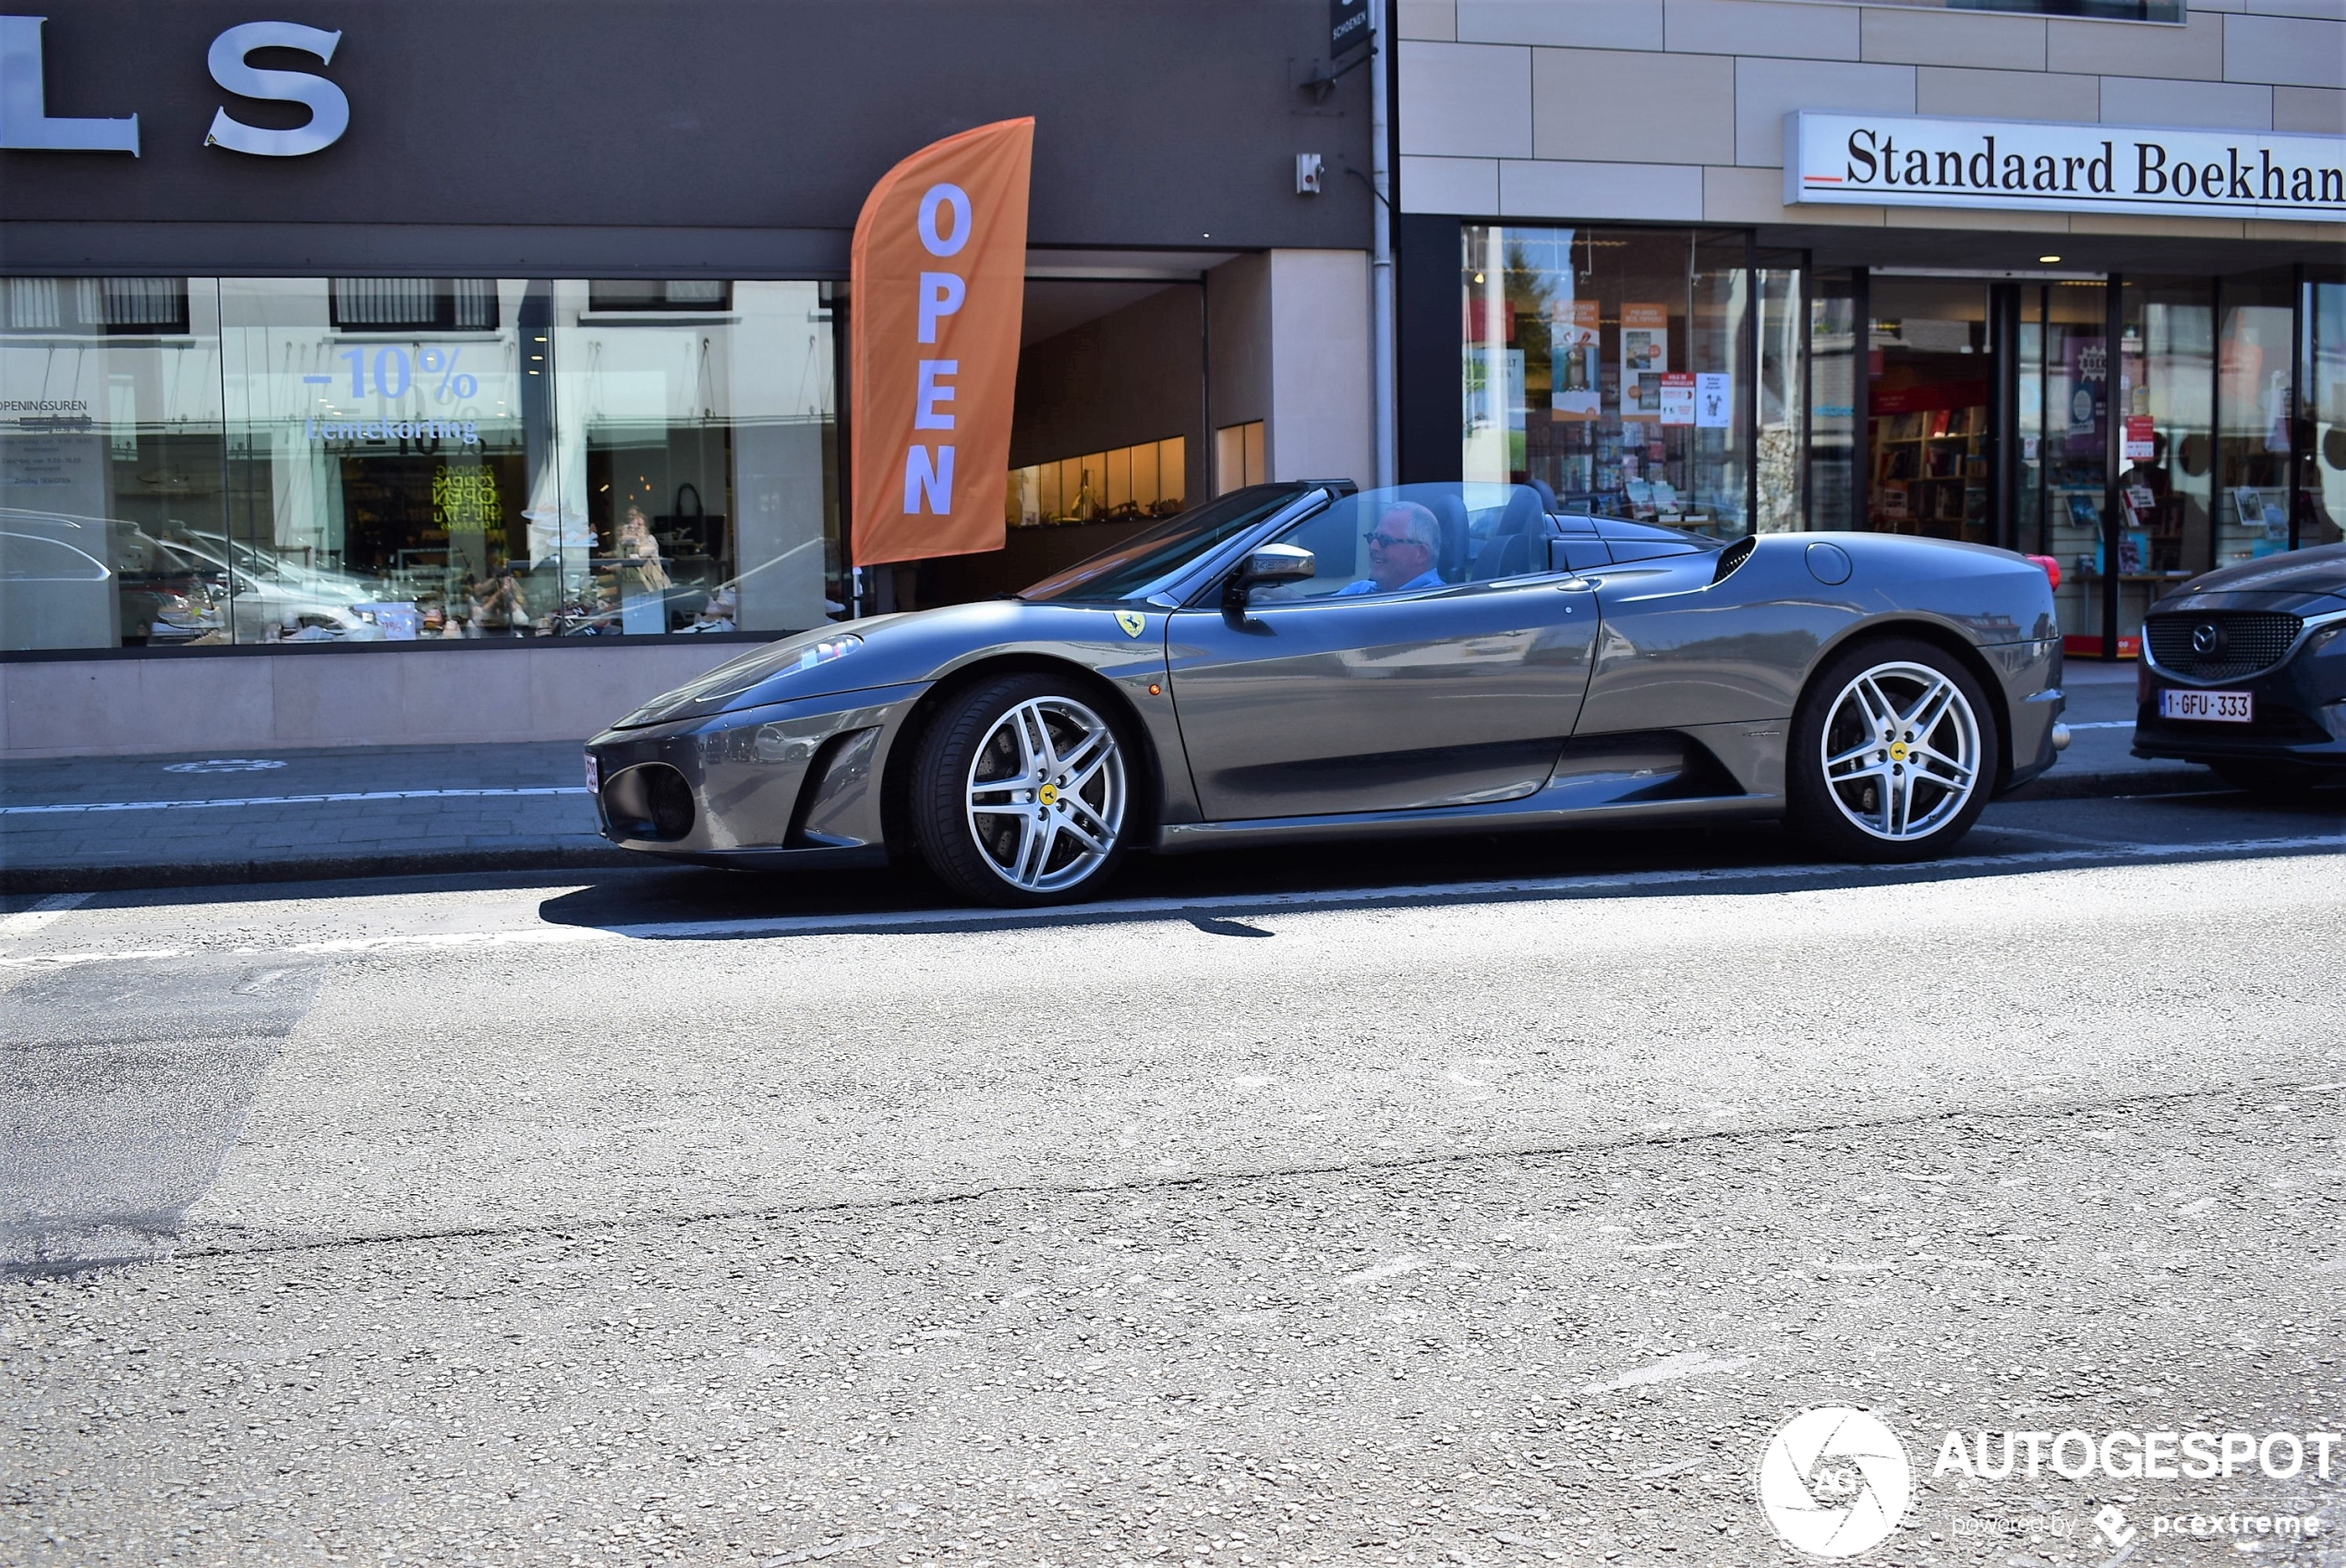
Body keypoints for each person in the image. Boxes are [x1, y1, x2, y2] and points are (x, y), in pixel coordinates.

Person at [1336, 502, 1445, 595]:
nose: (1373, 547)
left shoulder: (1437, 607)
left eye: (1385, 540)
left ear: (1421, 554)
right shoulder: (1359, 591)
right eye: (1373, 538)